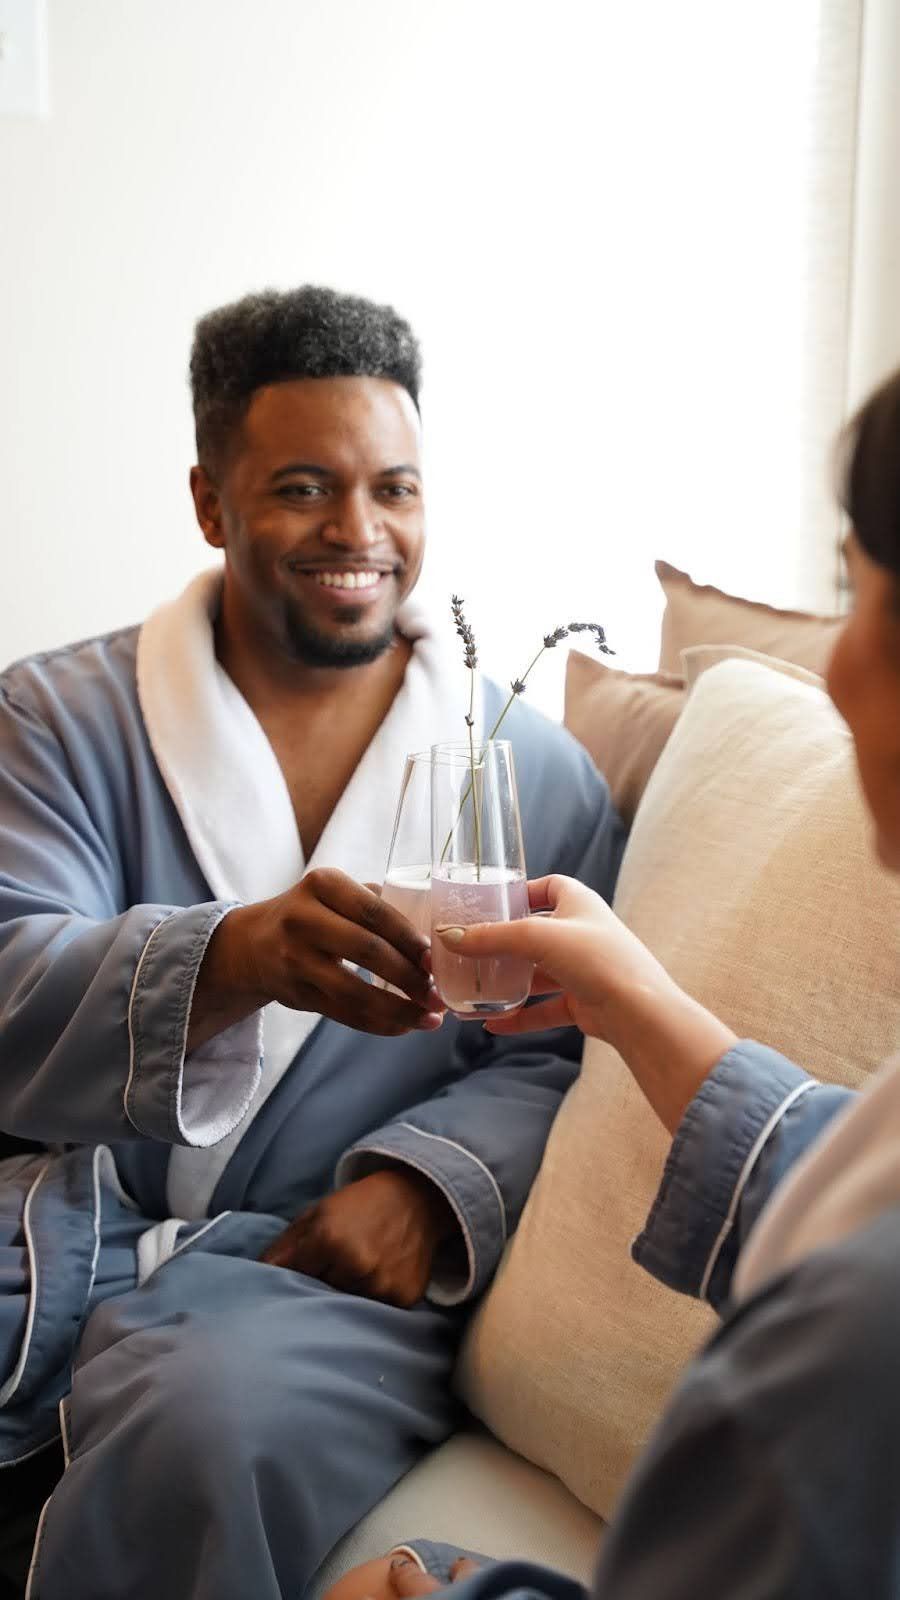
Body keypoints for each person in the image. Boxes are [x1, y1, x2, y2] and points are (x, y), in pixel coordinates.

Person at [0, 286, 626, 1599]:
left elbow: (567, 1057)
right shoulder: (54, 722)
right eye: (301, 487)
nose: (359, 531)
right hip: (67, 1225)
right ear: (211, 503)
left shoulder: (529, 777)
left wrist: (426, 1185)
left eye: (394, 488)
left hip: (324, 1283)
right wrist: (224, 960)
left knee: (205, 1420)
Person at [328, 365, 900, 1600]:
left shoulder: (844, 1364)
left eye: (862, 598)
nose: (837, 664)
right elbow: (843, 1173)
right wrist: (630, 1000)